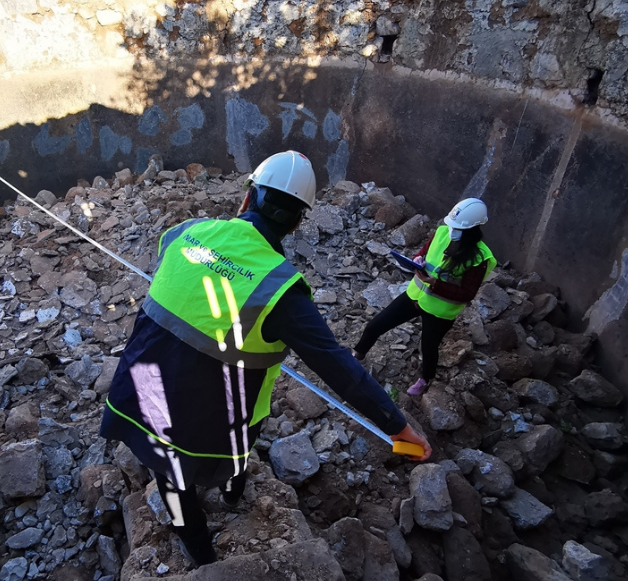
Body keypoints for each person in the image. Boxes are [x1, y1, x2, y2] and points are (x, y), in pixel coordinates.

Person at [99, 151, 432, 568]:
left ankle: (202, 557)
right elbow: (338, 368)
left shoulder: (184, 232)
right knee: (236, 449)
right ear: (296, 223)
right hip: (211, 424)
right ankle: (231, 492)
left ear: (247, 197)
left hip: (140, 393)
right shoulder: (280, 289)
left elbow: (187, 280)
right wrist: (399, 427)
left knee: (171, 481)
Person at [354, 198, 497, 396]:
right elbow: (423, 252)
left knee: (429, 348)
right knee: (375, 325)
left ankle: (426, 380)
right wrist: (417, 259)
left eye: (458, 229)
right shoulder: (441, 233)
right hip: (415, 296)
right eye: (451, 226)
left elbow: (467, 293)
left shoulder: (480, 258)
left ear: (473, 230)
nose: (452, 231)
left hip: (440, 311)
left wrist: (435, 284)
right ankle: (357, 355)